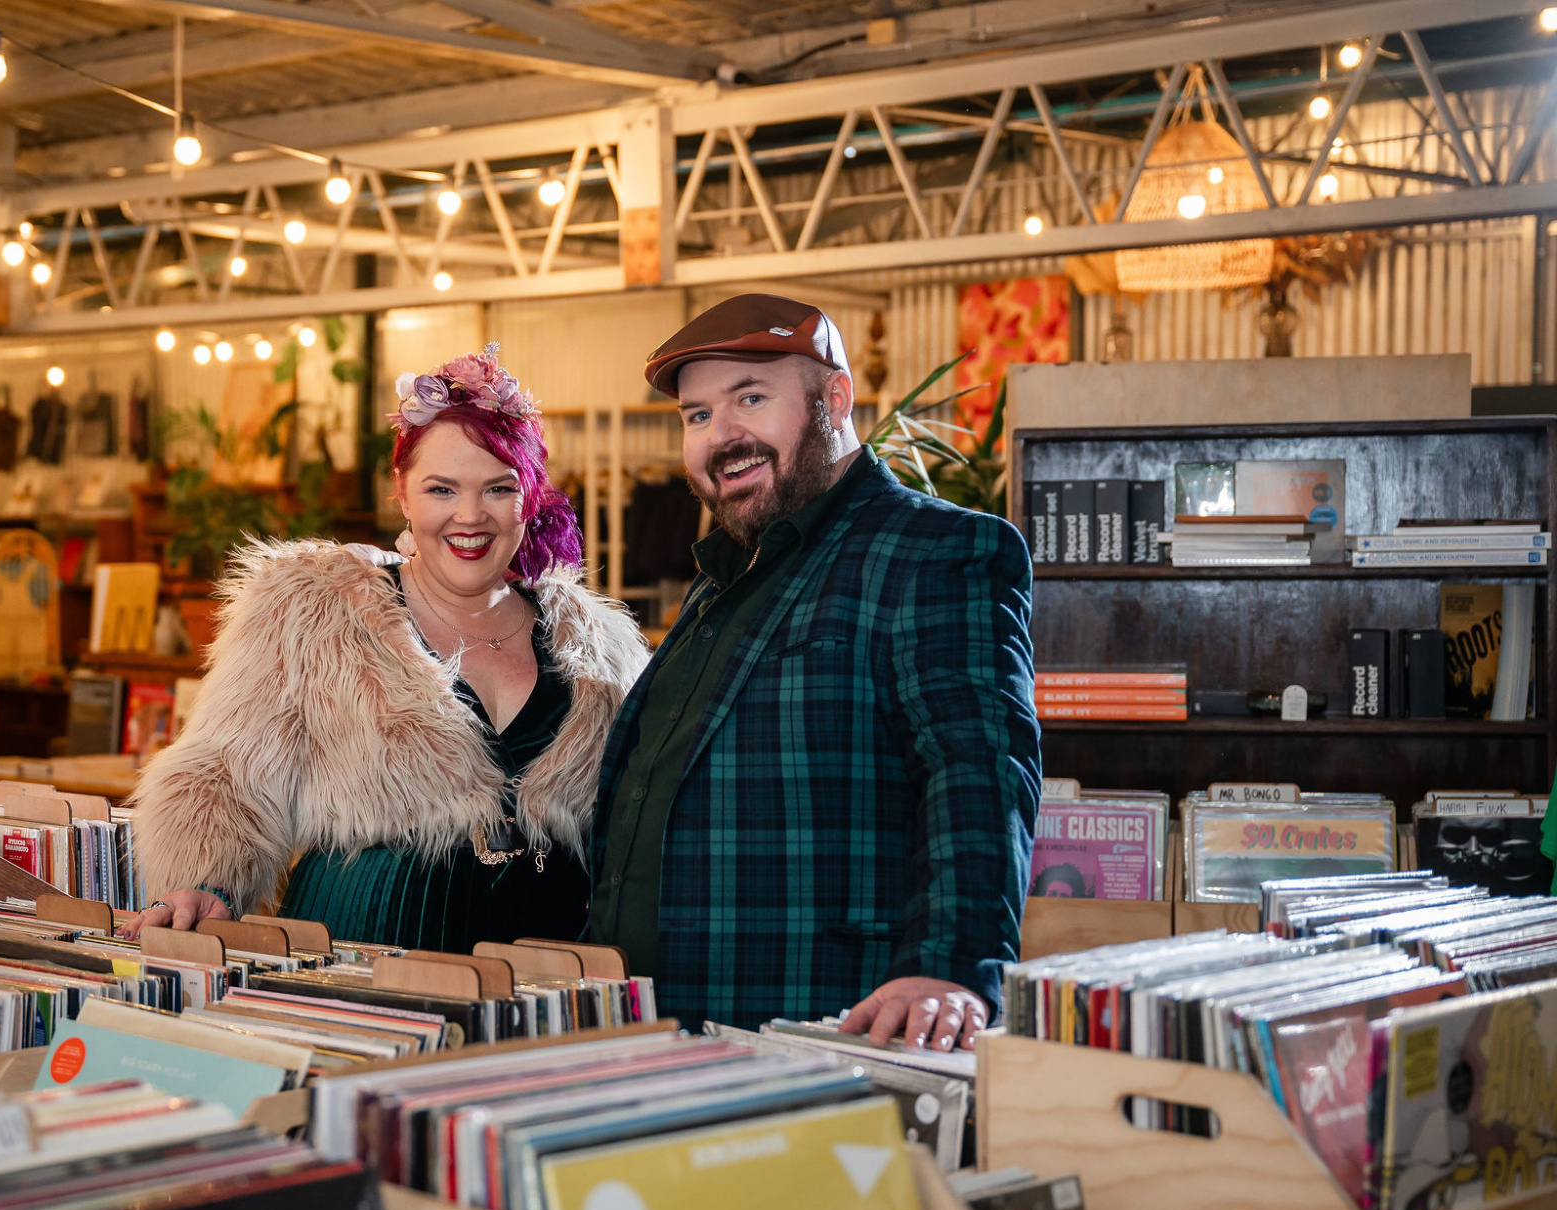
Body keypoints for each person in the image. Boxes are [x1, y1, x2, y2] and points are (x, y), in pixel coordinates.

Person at [589, 294, 1040, 1051]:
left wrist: (950, 966)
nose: (721, 436)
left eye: (751, 399)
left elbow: (978, 771)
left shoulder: (936, 551)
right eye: (697, 416)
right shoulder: (724, 578)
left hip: (819, 1019)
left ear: (835, 399)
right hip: (658, 1031)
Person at [129, 344, 649, 950]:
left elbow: (642, 812)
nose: (470, 516)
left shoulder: (600, 648)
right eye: (442, 490)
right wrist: (202, 880)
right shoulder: (313, 614)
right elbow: (223, 771)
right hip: (363, 968)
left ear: (528, 500)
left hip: (546, 981)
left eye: (498, 489)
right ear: (402, 494)